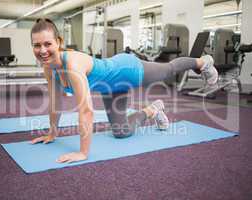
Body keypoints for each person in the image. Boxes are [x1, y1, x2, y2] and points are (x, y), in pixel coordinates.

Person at [30, 18, 218, 163]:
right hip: (111, 89)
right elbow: (56, 102)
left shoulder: (71, 64)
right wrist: (52, 133)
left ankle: (203, 62)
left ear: (59, 42)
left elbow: (86, 110)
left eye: (48, 44)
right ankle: (153, 109)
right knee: (121, 132)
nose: (43, 50)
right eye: (37, 45)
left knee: (168, 70)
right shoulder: (49, 68)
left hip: (127, 70)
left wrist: (83, 152)